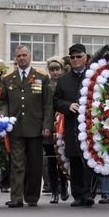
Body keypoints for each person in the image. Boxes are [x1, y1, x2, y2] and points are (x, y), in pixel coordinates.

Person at [0, 44, 53, 207]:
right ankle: (16, 197)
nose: (21, 58)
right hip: (16, 128)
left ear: (30, 57)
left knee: (34, 164)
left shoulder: (42, 77)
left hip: (36, 128)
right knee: (17, 163)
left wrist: (47, 125)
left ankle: (32, 197)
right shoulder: (8, 78)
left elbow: (48, 104)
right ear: (15, 58)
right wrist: (3, 116)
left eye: (24, 55)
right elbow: (4, 101)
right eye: (18, 56)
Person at [53, 44, 98, 207]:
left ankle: (90, 193)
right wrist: (67, 106)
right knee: (75, 160)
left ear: (86, 58)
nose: (75, 60)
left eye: (79, 56)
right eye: (72, 57)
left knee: (90, 160)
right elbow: (56, 100)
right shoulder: (63, 79)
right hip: (72, 126)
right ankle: (78, 195)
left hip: (92, 127)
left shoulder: (94, 76)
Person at [43, 58, 69, 202]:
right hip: (50, 126)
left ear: (62, 69)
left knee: (63, 158)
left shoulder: (65, 83)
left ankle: (64, 187)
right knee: (51, 160)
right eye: (52, 70)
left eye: (57, 69)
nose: (55, 72)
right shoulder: (46, 85)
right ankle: (54, 190)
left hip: (63, 127)